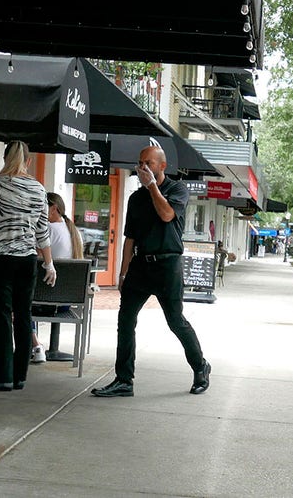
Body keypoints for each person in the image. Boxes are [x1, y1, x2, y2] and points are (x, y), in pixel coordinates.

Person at [91, 146, 210, 398]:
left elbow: (167, 215)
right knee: (125, 321)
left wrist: (152, 187)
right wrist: (122, 273)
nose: (143, 167)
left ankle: (200, 367)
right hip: (140, 265)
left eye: (149, 162)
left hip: (168, 265)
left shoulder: (177, 189)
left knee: (175, 321)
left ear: (162, 166)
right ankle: (124, 380)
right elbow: (129, 238)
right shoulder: (135, 198)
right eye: (140, 162)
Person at [0, 140, 55, 391]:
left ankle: (2, 376)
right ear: (28, 161)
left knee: (1, 315)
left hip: (2, 257)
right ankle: (20, 376)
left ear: (5, 158)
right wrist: (49, 263)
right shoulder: (39, 188)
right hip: (28, 259)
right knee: (23, 315)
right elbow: (42, 231)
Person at [30, 193, 84, 363]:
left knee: (17, 302)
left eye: (42, 207)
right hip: (66, 302)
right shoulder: (74, 231)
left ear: (53, 208)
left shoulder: (46, 229)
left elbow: (34, 258)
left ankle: (35, 345)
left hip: (44, 300)